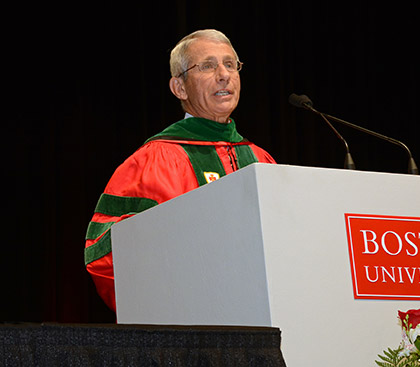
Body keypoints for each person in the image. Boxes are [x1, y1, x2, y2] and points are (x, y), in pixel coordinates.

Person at [84, 29, 276, 312]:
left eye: (230, 64)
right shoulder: (152, 162)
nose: (224, 74)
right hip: (188, 324)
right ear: (180, 88)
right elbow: (105, 254)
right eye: (208, 66)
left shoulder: (260, 159)